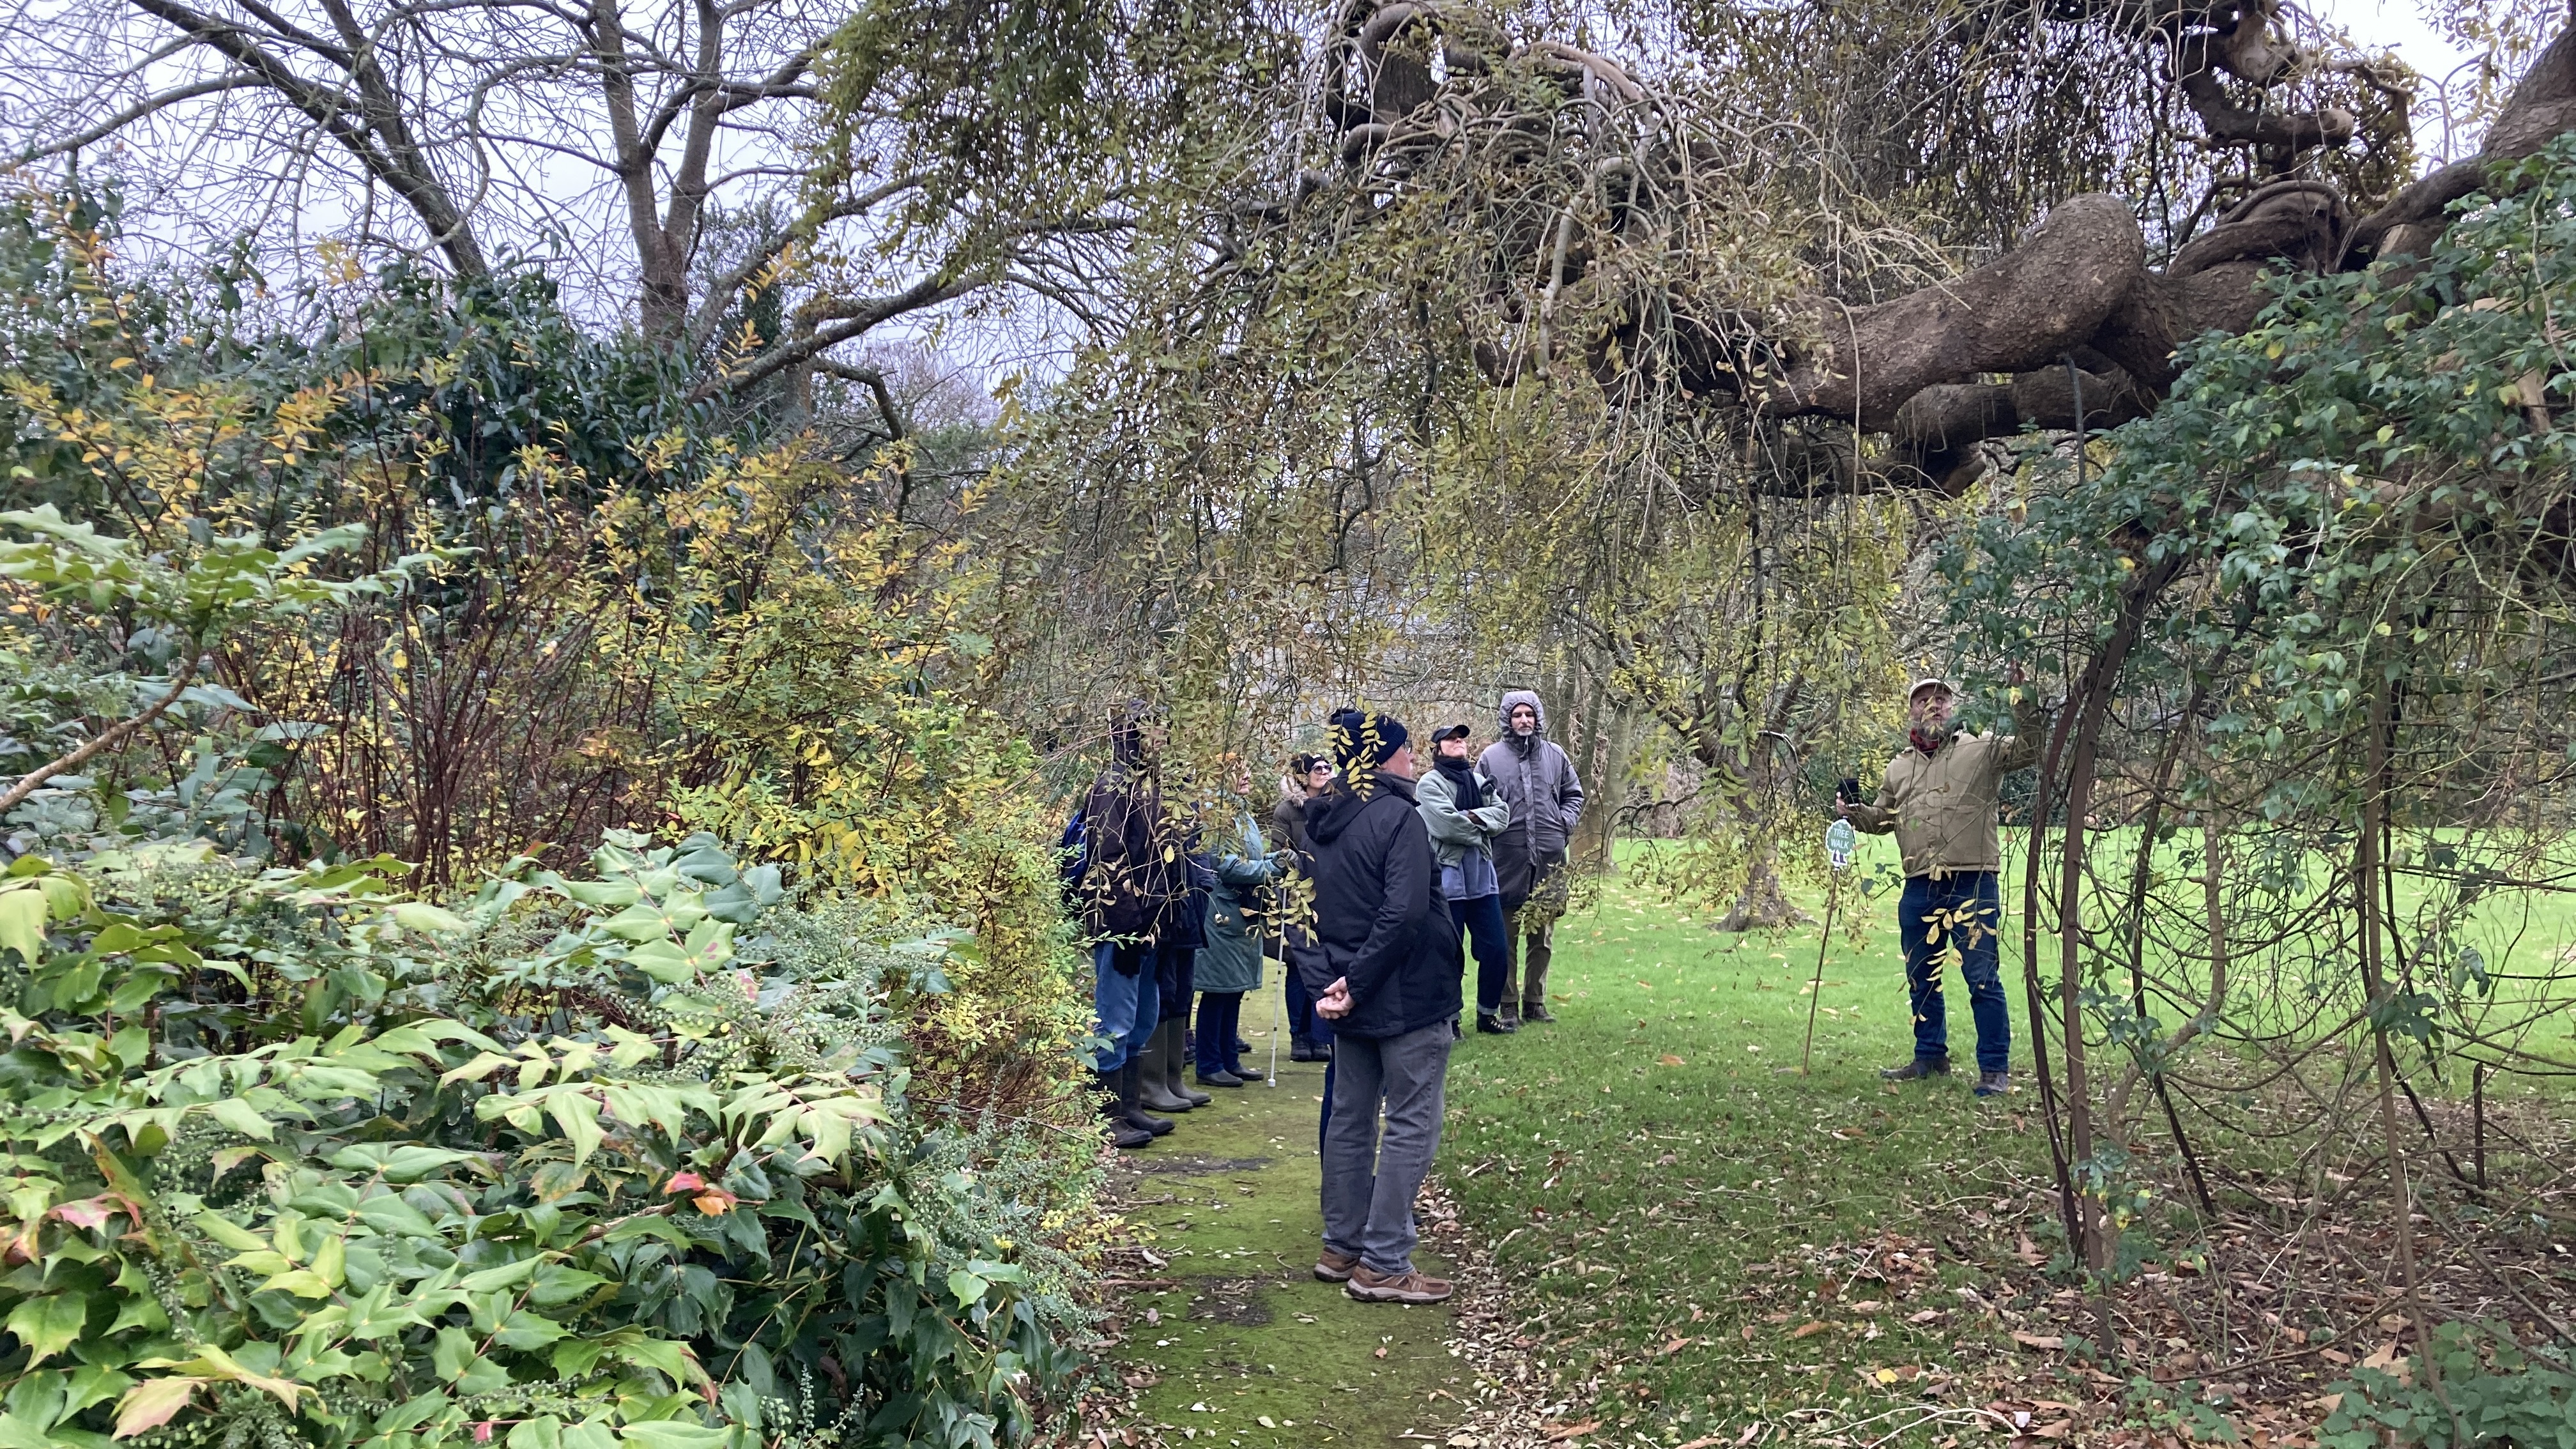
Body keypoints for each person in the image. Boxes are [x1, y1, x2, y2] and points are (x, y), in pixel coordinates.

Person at [1296, 707, 1463, 1305]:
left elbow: (1301, 919)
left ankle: (1341, 1246)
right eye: (1406, 749)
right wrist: (1354, 985)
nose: (1415, 757)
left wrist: (1330, 986)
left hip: (1354, 997)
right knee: (1413, 1121)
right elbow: (1405, 913)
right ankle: (1384, 1262)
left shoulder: (1318, 821)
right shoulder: (1399, 818)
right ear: (1383, 755)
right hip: (1407, 997)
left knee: (1350, 1118)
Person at [1839, 674, 2041, 1099]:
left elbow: (2031, 748)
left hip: (1973, 880)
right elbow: (1883, 818)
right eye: (1923, 700)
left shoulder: (1982, 747)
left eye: (1941, 699)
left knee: (1982, 977)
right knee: (1921, 977)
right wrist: (1854, 812)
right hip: (1919, 886)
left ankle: (1994, 1070)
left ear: (1954, 707)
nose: (1932, 706)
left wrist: (2020, 698)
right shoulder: (1898, 766)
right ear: (1911, 710)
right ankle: (1930, 1057)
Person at [1077, 702, 1193, 1149]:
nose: (1161, 738)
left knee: (1143, 1016)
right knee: (1114, 1018)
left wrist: (1165, 916)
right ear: (1133, 734)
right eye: (1154, 730)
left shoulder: (1151, 786)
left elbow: (1164, 858)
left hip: (1149, 924)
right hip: (1121, 923)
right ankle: (1106, 1116)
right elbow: (1106, 858)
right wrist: (1126, 926)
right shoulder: (1113, 786)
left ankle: (1129, 1106)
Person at [1480, 690, 1584, 1027]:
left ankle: (1535, 1002)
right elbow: (1480, 803)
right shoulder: (1491, 758)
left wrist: (1562, 824)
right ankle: (1508, 1003)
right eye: (1517, 715)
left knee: (1542, 938)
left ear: (1538, 717)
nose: (1524, 721)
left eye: (1529, 715)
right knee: (1506, 937)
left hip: (1549, 859)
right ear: (1507, 719)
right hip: (1506, 860)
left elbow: (1574, 794)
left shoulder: (1555, 755)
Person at [1416, 723, 1515, 1034]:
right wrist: (1481, 822)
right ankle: (1450, 1020)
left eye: (1462, 739)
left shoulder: (1479, 781)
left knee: (1497, 950)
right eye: (1451, 739)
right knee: (1449, 953)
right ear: (1438, 748)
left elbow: (1503, 816)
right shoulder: (1428, 784)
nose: (1459, 743)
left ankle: (1487, 1015)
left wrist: (1470, 816)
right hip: (1448, 882)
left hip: (1483, 880)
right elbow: (1446, 827)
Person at [1196, 760, 1283, 1087]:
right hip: (1220, 913)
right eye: (1237, 770)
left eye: (1248, 768)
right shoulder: (1214, 814)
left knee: (1234, 990)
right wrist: (1272, 871)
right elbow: (1227, 866)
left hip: (1242, 913)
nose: (1246, 776)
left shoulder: (1241, 813)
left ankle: (1229, 1058)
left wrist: (1279, 859)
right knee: (1218, 990)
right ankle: (1209, 1063)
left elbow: (1253, 860)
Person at [1272, 753, 1335, 1061]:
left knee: (1327, 962)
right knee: (1299, 964)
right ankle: (1299, 1035)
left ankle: (1320, 1034)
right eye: (1317, 769)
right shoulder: (1287, 810)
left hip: (1331, 894)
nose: (1324, 773)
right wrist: (1303, 864)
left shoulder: (1336, 802)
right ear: (1302, 775)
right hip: (1298, 892)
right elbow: (1278, 851)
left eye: (1327, 768)